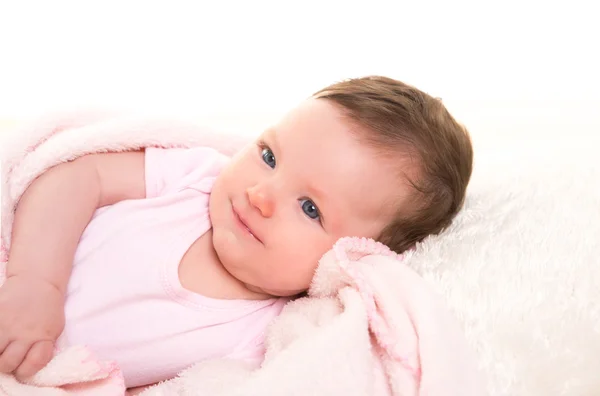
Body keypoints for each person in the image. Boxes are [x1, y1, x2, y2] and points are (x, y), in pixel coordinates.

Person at [0, 76, 473, 389]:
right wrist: (34, 283)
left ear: (351, 253)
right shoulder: (195, 177)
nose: (260, 195)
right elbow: (75, 174)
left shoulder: (261, 339)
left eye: (309, 208)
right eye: (269, 155)